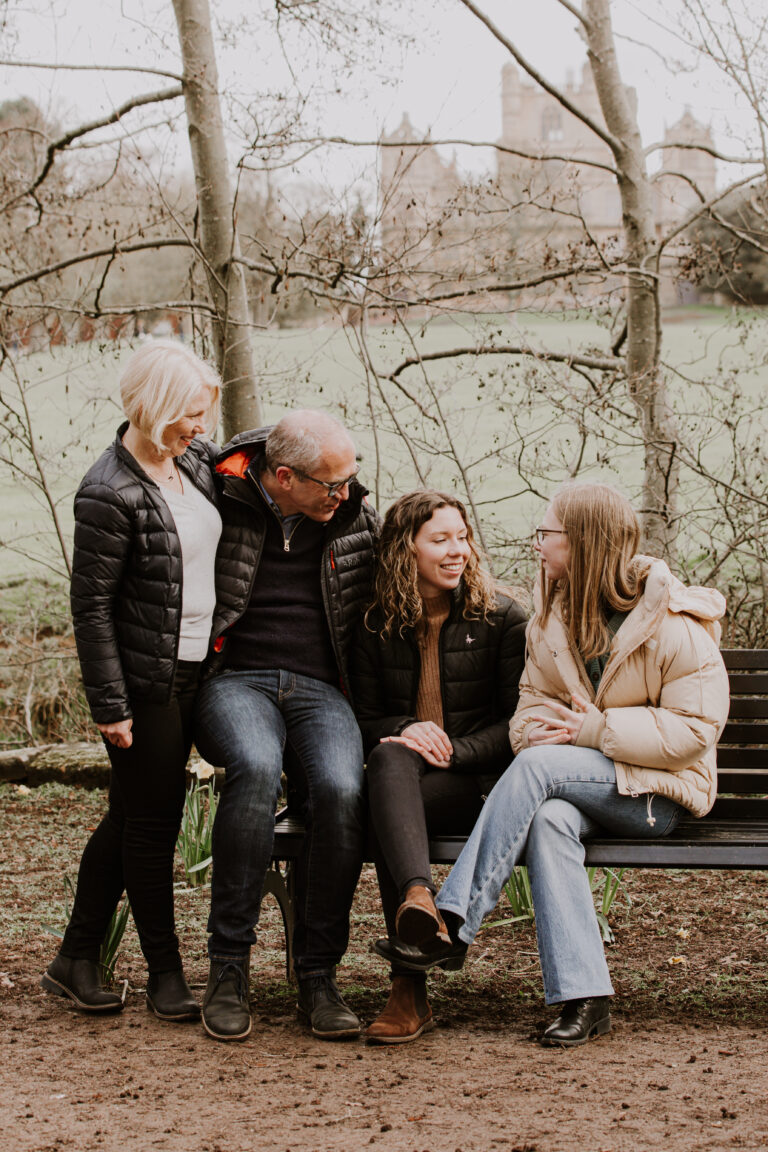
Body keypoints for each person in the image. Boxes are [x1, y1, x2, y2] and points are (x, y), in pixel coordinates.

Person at [399, 482, 730, 1046]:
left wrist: (591, 732)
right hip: (583, 788)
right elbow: (527, 718)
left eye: (547, 534)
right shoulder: (550, 625)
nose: (538, 545)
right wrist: (554, 738)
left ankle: (453, 921)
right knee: (549, 818)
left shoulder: (674, 626)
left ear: (583, 543)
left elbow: (696, 732)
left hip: (657, 793)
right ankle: (585, 996)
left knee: (539, 772)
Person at [42, 340, 223, 1021]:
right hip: (147, 681)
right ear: (155, 407)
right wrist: (110, 705)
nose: (200, 427)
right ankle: (166, 973)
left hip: (199, 667)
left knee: (128, 818)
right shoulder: (107, 490)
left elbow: (256, 454)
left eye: (204, 415)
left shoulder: (195, 461)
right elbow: (90, 607)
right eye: (191, 415)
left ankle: (75, 957)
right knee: (153, 822)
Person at [194, 409, 380, 1043]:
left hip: (321, 689)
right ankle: (228, 969)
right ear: (282, 477)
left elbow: (417, 578)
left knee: (340, 788)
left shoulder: (354, 517)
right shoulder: (216, 495)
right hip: (236, 681)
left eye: (351, 479)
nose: (346, 494)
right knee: (252, 768)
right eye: (331, 484)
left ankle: (318, 974)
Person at [350, 490, 527, 1044]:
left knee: (386, 811)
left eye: (462, 537)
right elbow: (360, 715)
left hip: (473, 784)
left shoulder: (501, 618)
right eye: (440, 540)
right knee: (388, 757)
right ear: (407, 550)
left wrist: (454, 749)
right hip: (400, 777)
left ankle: (408, 990)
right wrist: (405, 728)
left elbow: (518, 725)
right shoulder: (376, 623)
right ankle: (420, 902)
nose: (458, 551)